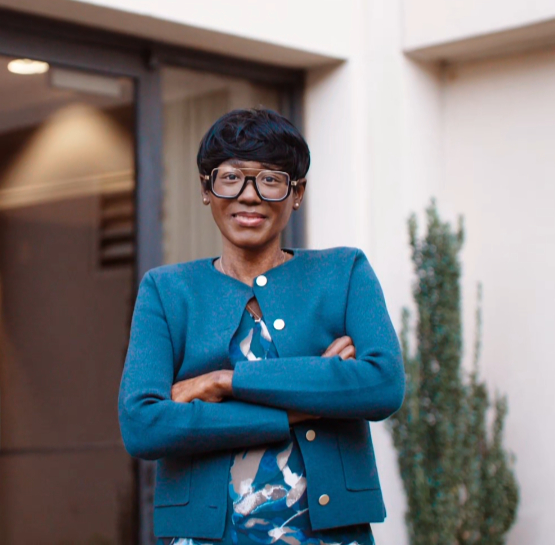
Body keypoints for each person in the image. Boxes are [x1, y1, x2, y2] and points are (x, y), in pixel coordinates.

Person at [118, 108, 405, 545]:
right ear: (206, 189)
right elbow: (142, 426)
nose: (248, 196)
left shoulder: (344, 272)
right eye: (231, 178)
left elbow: (383, 385)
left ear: (297, 192)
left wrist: (223, 382)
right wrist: (306, 402)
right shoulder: (167, 290)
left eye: (270, 179)